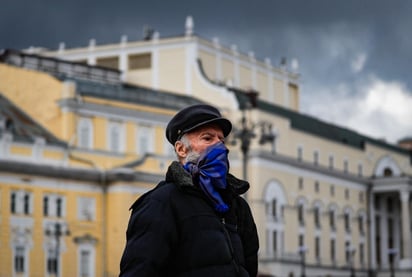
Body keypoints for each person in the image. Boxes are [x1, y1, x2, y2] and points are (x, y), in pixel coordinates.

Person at [119, 104, 259, 277]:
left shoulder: (238, 206)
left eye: (221, 140)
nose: (221, 147)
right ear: (181, 149)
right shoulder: (161, 203)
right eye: (207, 138)